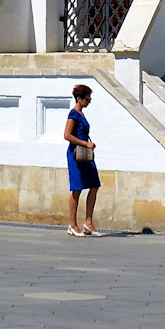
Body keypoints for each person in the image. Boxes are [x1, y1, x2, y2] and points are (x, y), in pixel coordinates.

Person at [63, 82, 100, 237]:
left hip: (86, 155)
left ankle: (88, 222)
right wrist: (85, 143)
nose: (88, 101)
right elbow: (67, 135)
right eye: (86, 98)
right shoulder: (73, 114)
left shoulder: (82, 114)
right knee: (77, 189)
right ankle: (72, 224)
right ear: (79, 98)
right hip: (76, 155)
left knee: (94, 185)